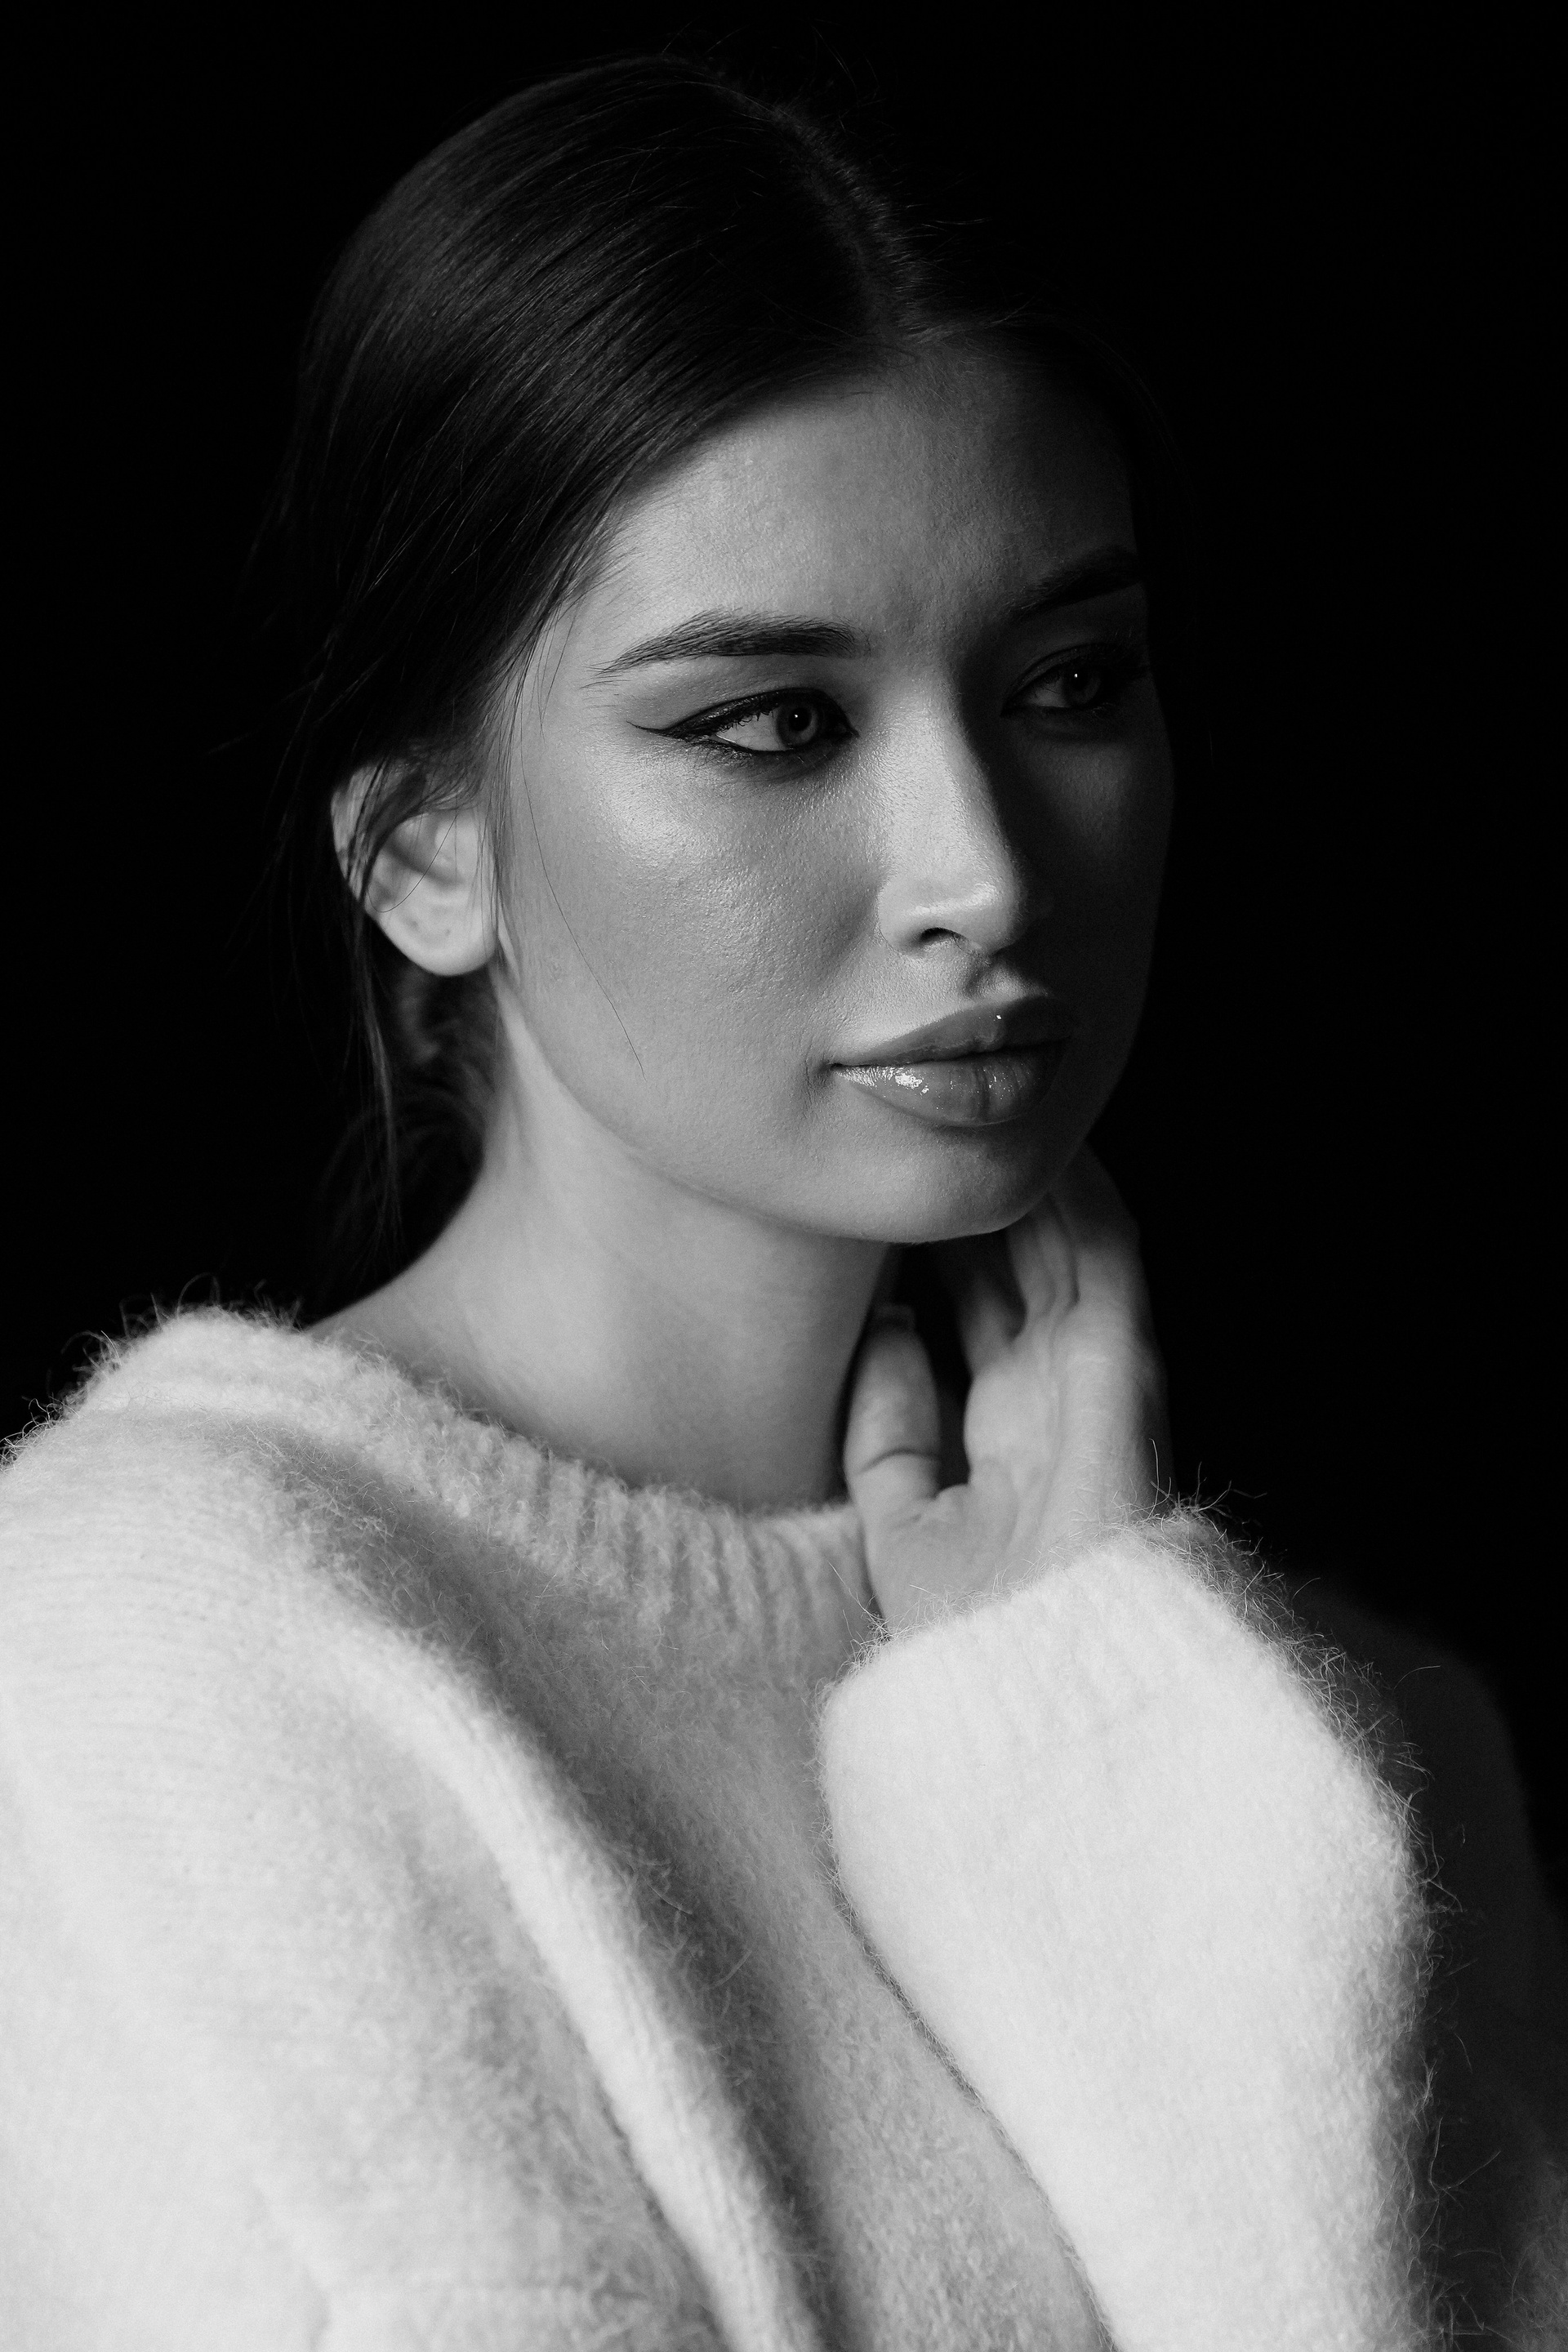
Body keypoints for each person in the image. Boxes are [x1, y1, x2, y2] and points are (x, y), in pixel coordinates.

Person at [1, 56, 1561, 2352]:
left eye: (1070, 683)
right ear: (424, 848)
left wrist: (1090, 1722)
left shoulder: (1352, 1757)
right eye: (773, 724)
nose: (984, 871)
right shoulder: (158, 1656)